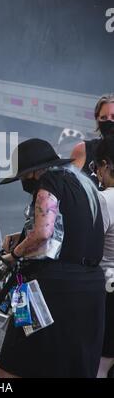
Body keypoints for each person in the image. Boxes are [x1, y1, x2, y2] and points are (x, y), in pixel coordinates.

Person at [0, 138, 105, 378]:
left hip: (51, 289)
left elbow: (43, 233)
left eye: (24, 176)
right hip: (89, 290)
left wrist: (14, 255)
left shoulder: (48, 183)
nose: (24, 182)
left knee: (13, 364)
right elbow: (66, 231)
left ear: (34, 172)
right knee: (66, 367)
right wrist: (23, 236)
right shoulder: (81, 183)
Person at [94, 136, 114, 378]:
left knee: (100, 364)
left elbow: (89, 246)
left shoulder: (104, 199)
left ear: (105, 164)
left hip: (108, 291)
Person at [71, 94, 114, 183]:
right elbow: (68, 189)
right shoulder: (83, 150)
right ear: (97, 120)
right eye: (103, 118)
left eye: (113, 117)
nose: (109, 121)